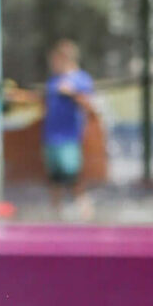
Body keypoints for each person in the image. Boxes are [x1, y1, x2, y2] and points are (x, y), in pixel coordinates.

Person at [41, 39, 97, 206]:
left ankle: (85, 209)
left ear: (64, 58)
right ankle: (55, 212)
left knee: (73, 177)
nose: (52, 64)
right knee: (54, 179)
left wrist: (72, 93)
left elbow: (90, 107)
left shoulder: (81, 79)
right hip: (50, 136)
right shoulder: (53, 81)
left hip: (69, 137)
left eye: (55, 59)